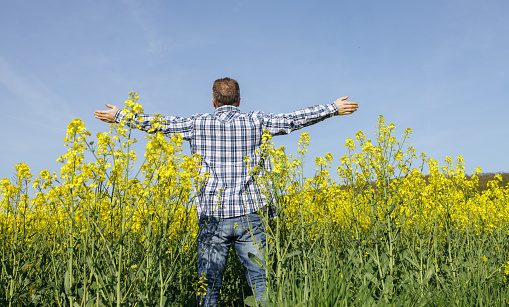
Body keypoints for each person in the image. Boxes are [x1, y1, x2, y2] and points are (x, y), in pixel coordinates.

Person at [94, 77, 358, 306]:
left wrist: (120, 116)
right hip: (252, 214)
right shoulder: (257, 121)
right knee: (260, 282)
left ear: (213, 101)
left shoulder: (196, 124)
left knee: (208, 284)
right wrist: (333, 108)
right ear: (239, 100)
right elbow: (293, 119)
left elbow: (160, 124)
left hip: (212, 215)